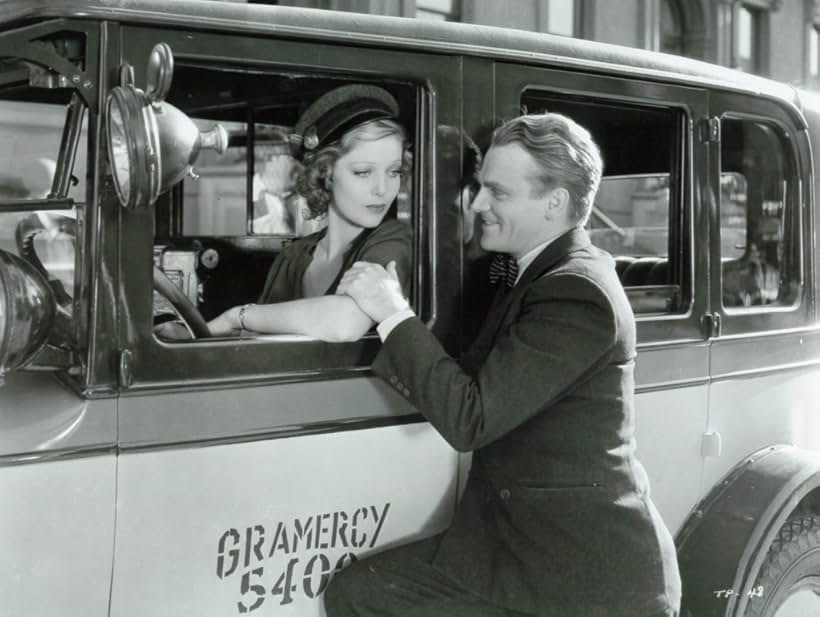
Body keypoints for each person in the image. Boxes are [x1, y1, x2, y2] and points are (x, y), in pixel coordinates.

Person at [329, 112, 681, 617]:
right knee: (363, 591)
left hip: (582, 583)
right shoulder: (534, 271)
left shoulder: (576, 291)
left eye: (498, 193)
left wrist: (391, 312)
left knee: (365, 596)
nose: (477, 204)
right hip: (518, 553)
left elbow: (471, 419)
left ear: (554, 202)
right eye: (479, 188)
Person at [201, 84, 413, 342]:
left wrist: (236, 316)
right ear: (325, 174)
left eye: (394, 172)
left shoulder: (393, 241)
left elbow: (345, 323)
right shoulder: (293, 256)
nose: (383, 189)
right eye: (363, 172)